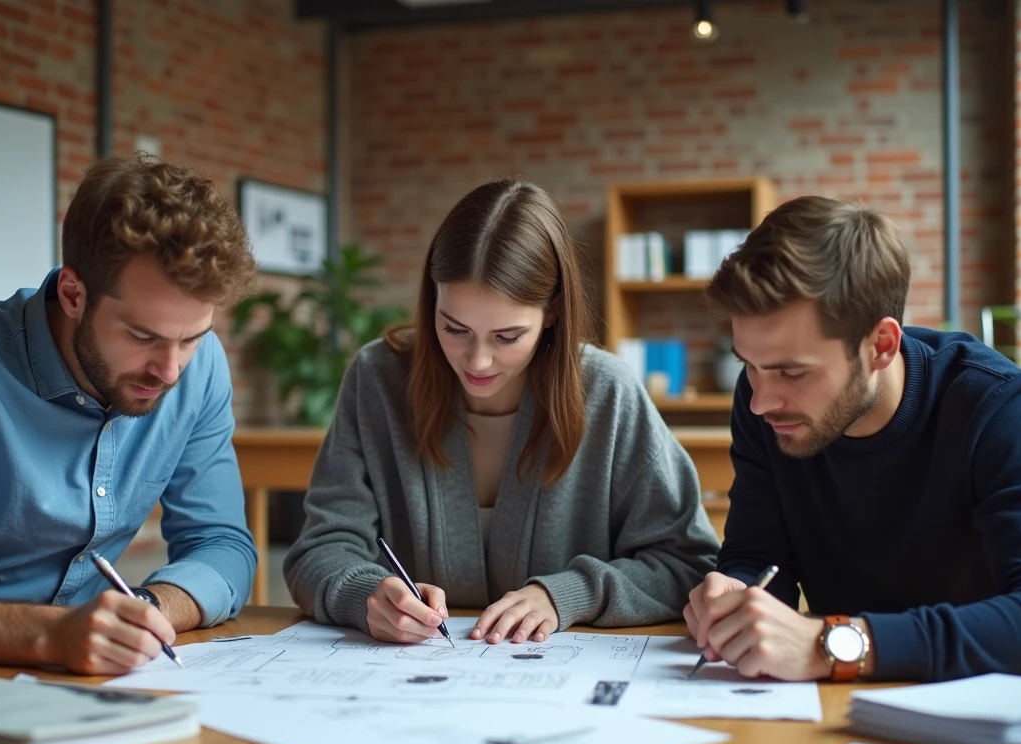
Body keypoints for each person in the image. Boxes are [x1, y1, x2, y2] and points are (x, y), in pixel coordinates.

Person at [0, 154, 260, 675]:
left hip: (84, 675)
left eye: (191, 338)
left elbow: (223, 545)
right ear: (74, 294)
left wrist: (144, 613)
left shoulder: (200, 368)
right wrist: (52, 635)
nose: (170, 370)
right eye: (142, 336)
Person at [284, 179, 720, 646]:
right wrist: (364, 593)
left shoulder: (608, 393)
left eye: (507, 337)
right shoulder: (377, 378)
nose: (477, 361)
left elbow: (686, 563)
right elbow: (319, 550)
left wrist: (569, 594)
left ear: (553, 311)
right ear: (432, 300)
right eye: (454, 329)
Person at [683, 195, 1021, 683]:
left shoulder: (1000, 408)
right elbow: (759, 556)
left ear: (881, 345)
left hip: (973, 702)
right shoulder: (765, 402)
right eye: (748, 364)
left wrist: (836, 645)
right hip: (834, 702)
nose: (760, 401)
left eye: (791, 372)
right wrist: (735, 594)